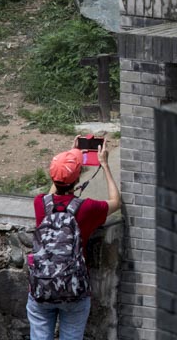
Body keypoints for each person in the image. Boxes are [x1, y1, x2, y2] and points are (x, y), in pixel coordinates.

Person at [27, 138, 121, 340]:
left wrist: (67, 160)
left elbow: (52, 195)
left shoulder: (39, 204)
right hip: (74, 287)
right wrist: (104, 165)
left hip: (41, 286)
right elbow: (116, 201)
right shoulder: (87, 208)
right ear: (78, 177)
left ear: (52, 176)